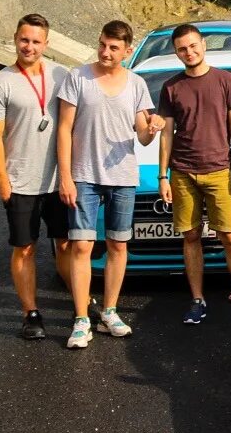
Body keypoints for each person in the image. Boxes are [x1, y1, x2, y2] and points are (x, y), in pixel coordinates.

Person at [55, 19, 160, 349]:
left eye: (114, 47)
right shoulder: (78, 77)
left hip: (123, 177)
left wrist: (152, 128)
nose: (105, 51)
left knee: (117, 245)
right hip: (84, 175)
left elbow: (142, 136)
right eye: (102, 44)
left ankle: (110, 312)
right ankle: (81, 318)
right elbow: (64, 129)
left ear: (127, 52)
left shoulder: (136, 84)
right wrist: (66, 176)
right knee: (82, 246)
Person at [153, 24, 231, 327]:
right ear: (176, 52)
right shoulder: (171, 87)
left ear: (203, 45)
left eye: (194, 46)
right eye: (183, 48)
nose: (189, 52)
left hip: (220, 170)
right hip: (183, 173)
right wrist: (163, 176)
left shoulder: (225, 81)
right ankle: (198, 300)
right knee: (191, 236)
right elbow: (167, 135)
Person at [0, 13, 74, 341]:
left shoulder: (63, 75)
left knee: (65, 243)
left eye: (36, 41)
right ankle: (30, 312)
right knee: (25, 248)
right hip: (20, 180)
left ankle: (80, 306)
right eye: (24, 40)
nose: (29, 46)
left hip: (59, 179)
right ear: (15, 39)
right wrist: (2, 180)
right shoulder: (1, 82)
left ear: (46, 44)